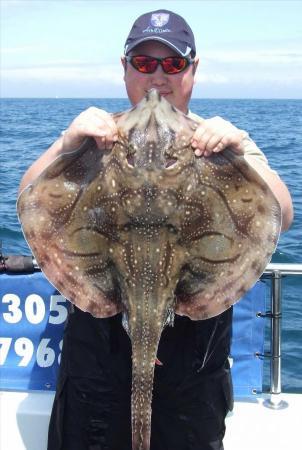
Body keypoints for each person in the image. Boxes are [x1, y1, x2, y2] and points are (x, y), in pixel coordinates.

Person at [19, 9, 293, 450]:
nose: (158, 78)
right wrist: (65, 143)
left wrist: (238, 153)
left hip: (192, 375)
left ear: (193, 70)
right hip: (96, 367)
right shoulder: (94, 137)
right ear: (124, 69)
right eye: (144, 64)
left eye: (173, 64)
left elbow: (281, 213)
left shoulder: (219, 139)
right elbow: (31, 195)